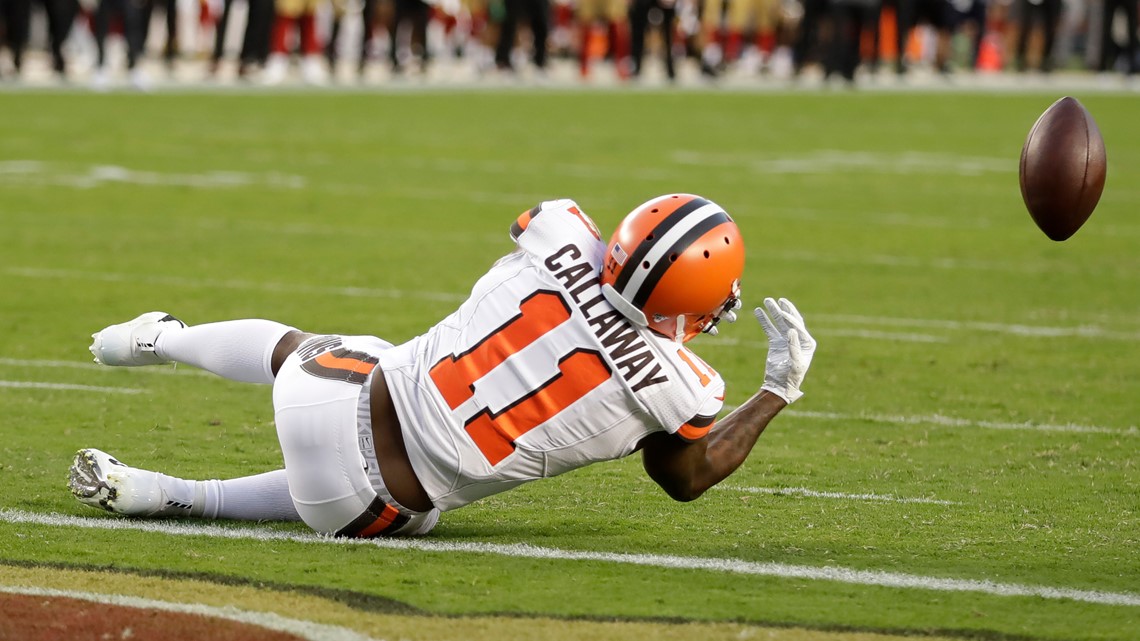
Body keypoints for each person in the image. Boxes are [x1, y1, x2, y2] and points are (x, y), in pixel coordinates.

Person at [68, 194, 816, 538]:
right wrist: (777, 388)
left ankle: (157, 338)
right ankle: (174, 495)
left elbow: (542, 228)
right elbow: (686, 478)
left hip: (322, 398)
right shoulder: (681, 387)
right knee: (396, 479)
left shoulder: (559, 233)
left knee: (312, 347)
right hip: (367, 512)